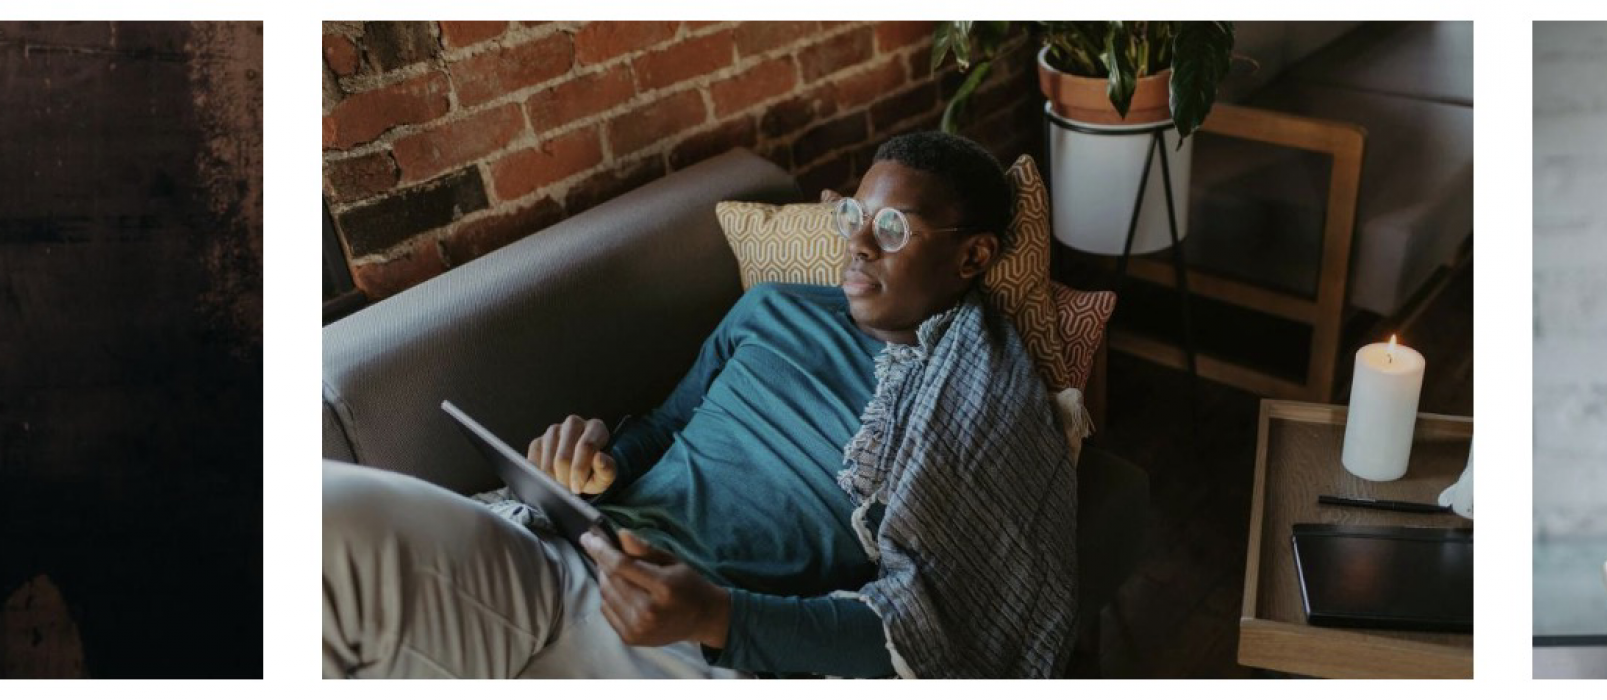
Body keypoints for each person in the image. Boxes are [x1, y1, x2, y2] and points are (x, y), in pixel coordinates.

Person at [322, 131, 1075, 679]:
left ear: (972, 256)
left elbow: (932, 623)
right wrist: (599, 461)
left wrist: (717, 617)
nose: (856, 247)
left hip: (696, 650)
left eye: (890, 229)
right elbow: (666, 425)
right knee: (319, 513)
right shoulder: (771, 308)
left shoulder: (977, 399)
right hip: (562, 554)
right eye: (852, 218)